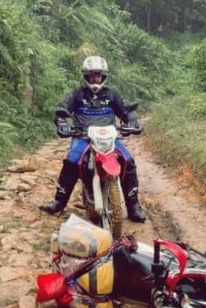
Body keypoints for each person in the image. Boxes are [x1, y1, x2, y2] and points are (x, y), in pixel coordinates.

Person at [39, 56, 147, 222]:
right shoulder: (76, 93)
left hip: (109, 137)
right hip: (82, 136)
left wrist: (133, 122)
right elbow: (61, 110)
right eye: (92, 75)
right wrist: (62, 123)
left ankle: (134, 206)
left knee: (128, 161)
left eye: (98, 75)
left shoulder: (112, 94)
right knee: (72, 161)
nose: (95, 78)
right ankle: (58, 202)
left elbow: (126, 111)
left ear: (104, 76)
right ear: (86, 76)